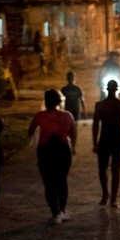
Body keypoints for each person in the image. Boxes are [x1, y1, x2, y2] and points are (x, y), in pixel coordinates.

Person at [28, 88, 76, 225]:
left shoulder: (39, 116)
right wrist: (74, 148)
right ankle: (62, 210)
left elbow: (30, 131)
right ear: (59, 101)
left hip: (45, 150)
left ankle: (55, 213)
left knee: (49, 183)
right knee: (61, 180)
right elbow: (73, 134)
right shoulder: (67, 116)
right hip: (62, 149)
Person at [92, 79, 120, 208]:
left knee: (103, 169)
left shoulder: (100, 105)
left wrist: (95, 142)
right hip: (117, 138)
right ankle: (112, 198)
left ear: (106, 89)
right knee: (115, 170)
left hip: (106, 138)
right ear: (117, 90)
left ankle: (107, 195)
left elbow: (95, 126)